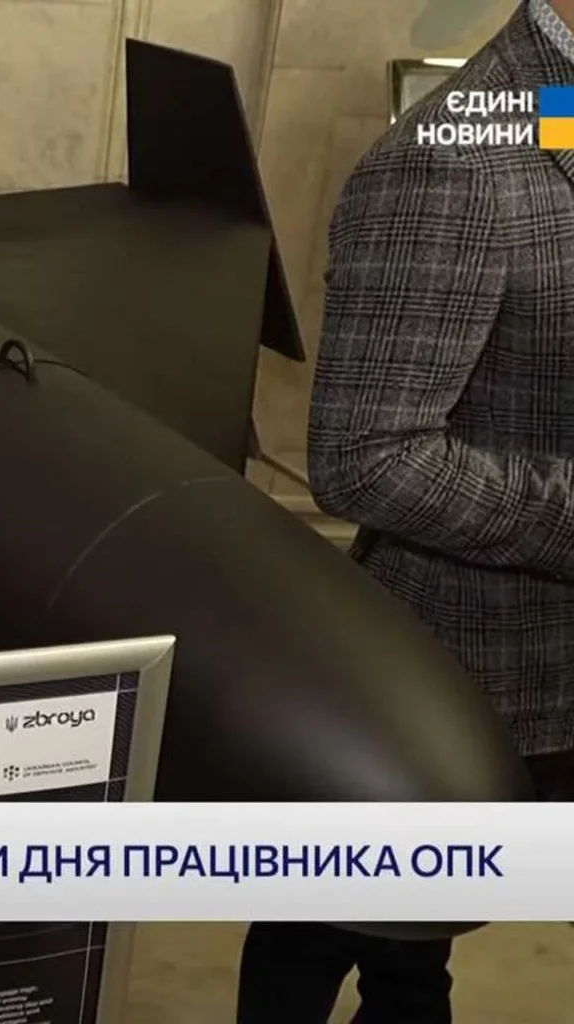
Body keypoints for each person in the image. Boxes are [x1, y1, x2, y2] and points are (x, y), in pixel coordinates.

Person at [238, 0, 574, 1020]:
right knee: (330, 936)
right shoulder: (450, 165)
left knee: (402, 954)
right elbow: (368, 458)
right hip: (488, 672)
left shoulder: (554, 114)